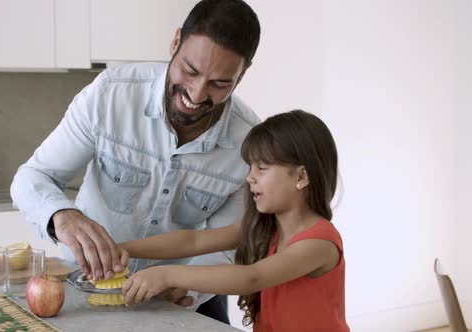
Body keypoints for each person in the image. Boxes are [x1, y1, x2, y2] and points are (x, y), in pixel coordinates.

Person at [10, 0, 261, 323]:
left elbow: (229, 243)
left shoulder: (249, 144)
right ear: (174, 43)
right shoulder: (111, 95)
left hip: (183, 302)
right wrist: (62, 214)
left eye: (219, 83)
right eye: (190, 70)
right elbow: (32, 177)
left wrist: (186, 286)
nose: (196, 95)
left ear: (241, 76)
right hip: (87, 293)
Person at [120, 110, 349, 332]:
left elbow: (252, 277)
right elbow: (193, 241)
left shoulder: (319, 243)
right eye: (250, 167)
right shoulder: (267, 229)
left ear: (301, 177)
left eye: (262, 168)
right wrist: (123, 249)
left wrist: (165, 274)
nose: (250, 177)